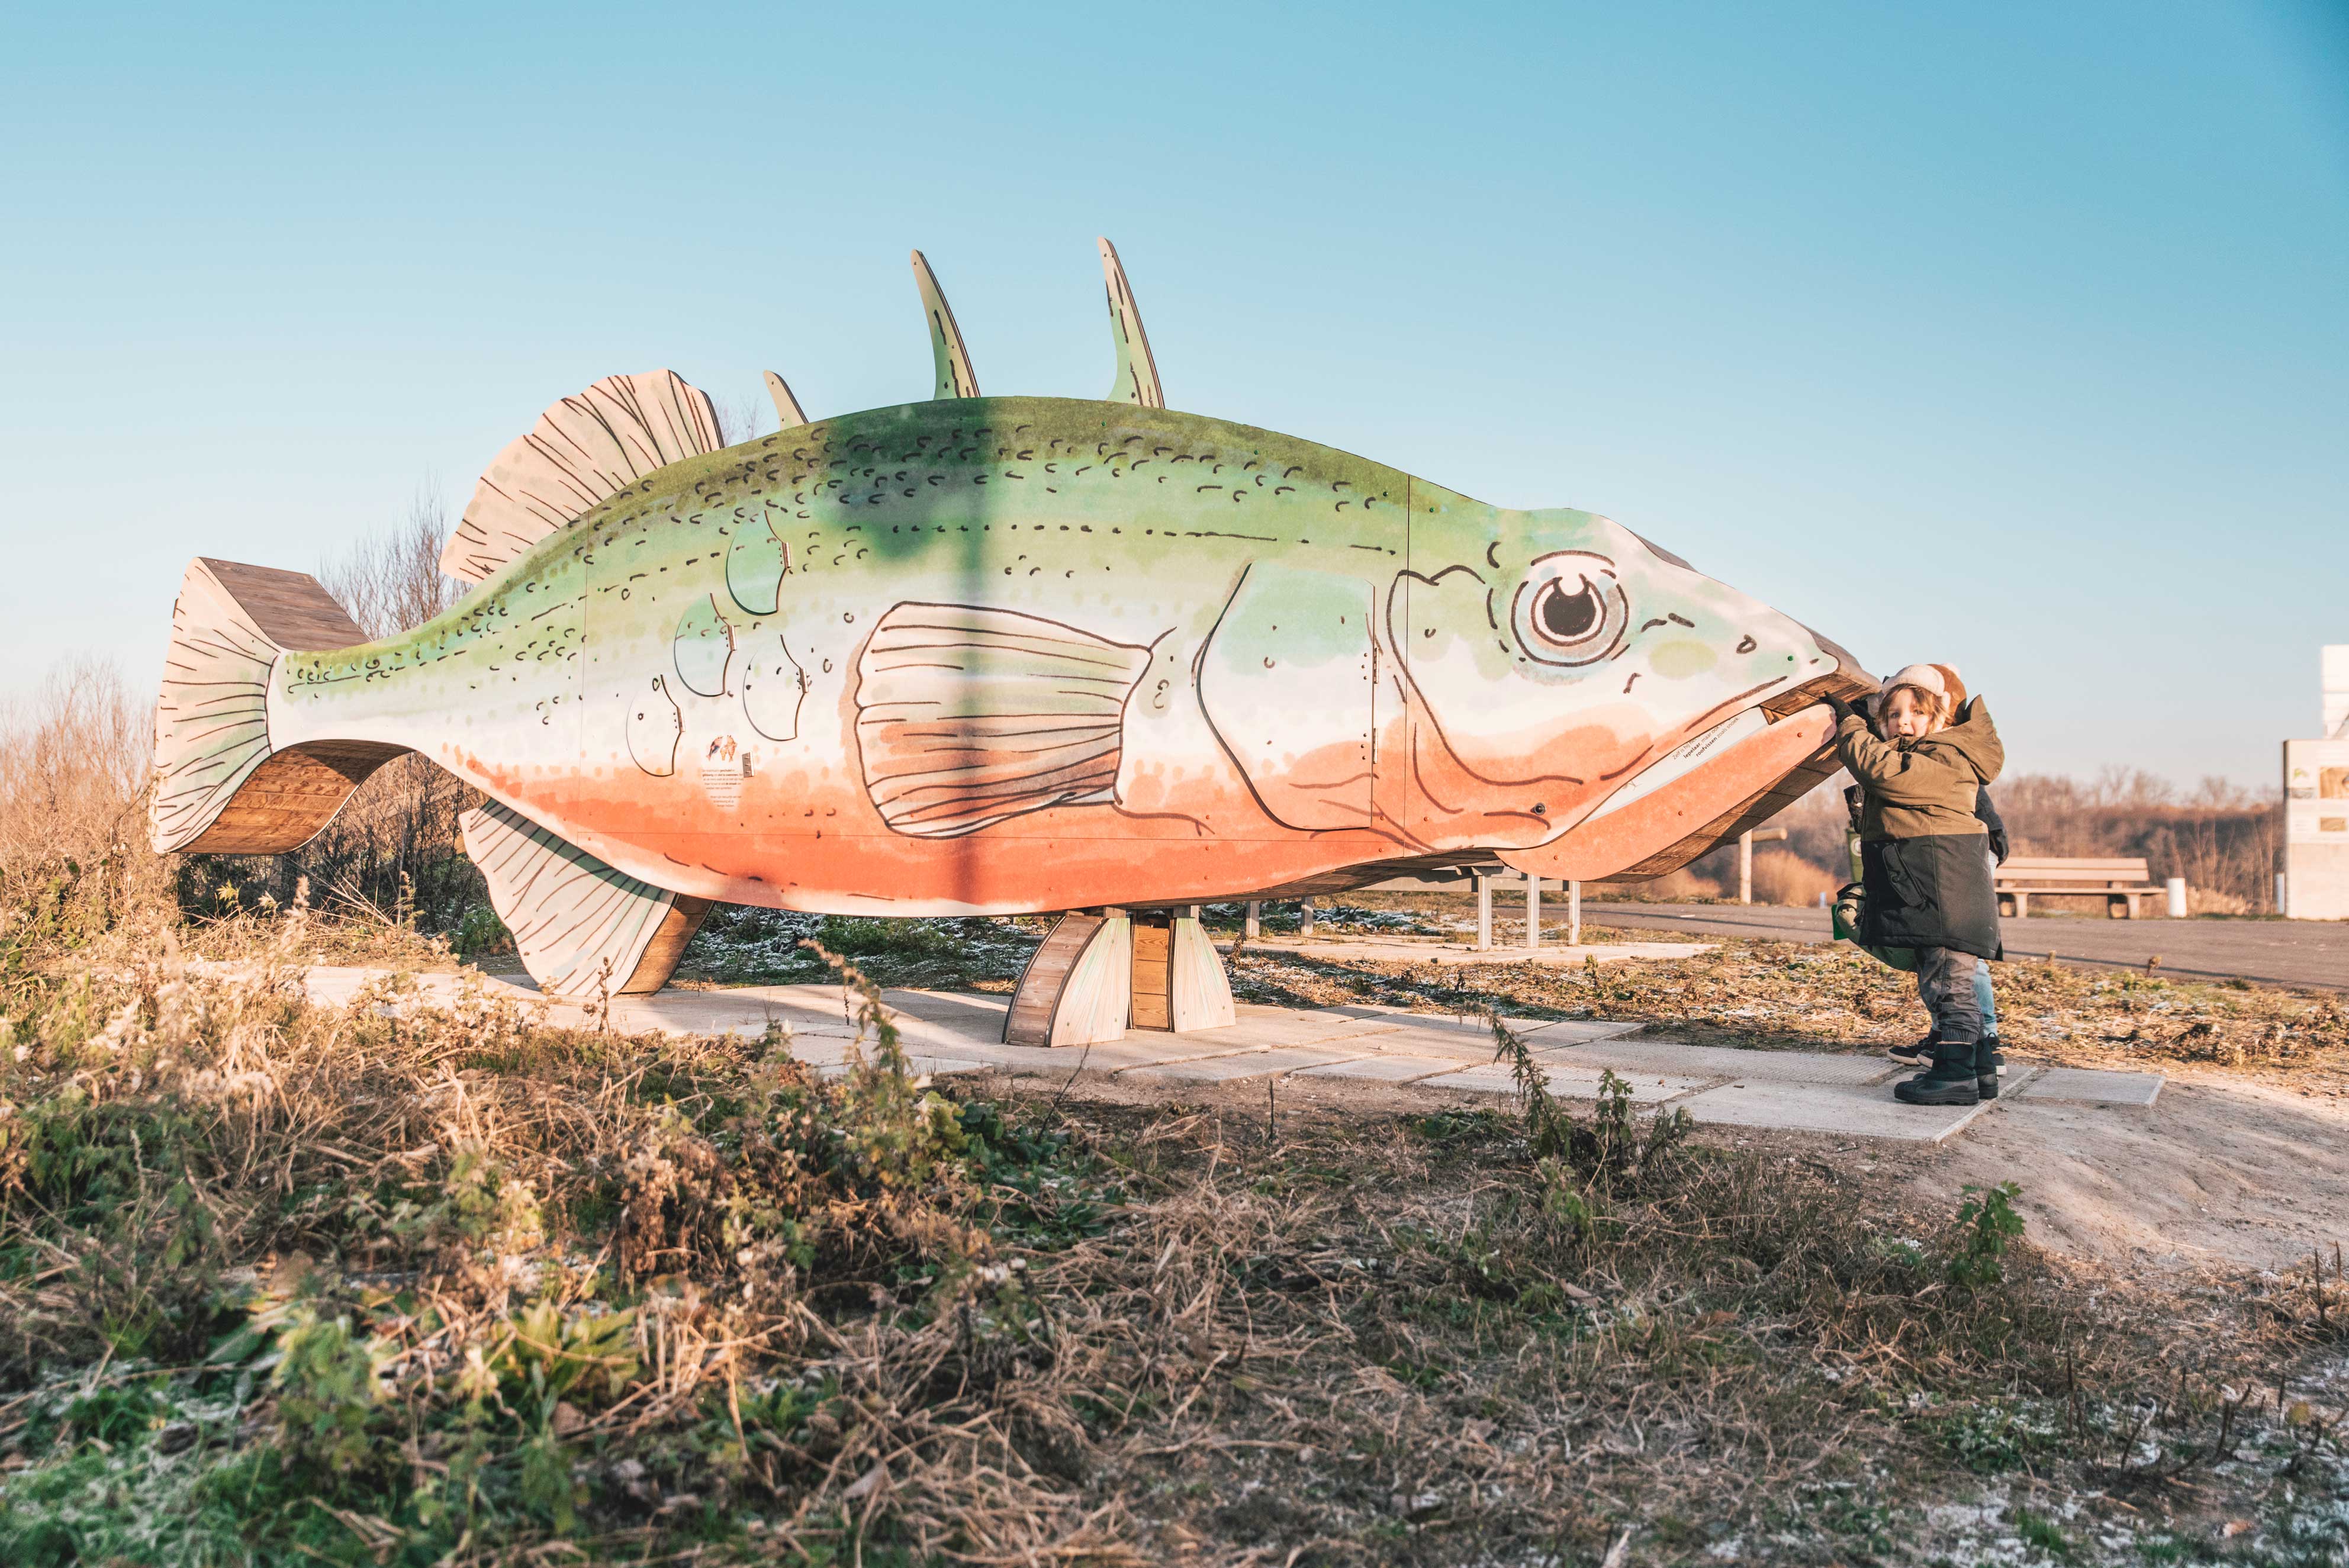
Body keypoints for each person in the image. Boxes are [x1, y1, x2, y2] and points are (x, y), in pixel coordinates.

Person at [1824, 664, 2005, 1106]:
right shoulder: (1932, 752)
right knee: (1946, 981)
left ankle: (1953, 1074)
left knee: (1948, 986)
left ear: (1940, 719)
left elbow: (1885, 771)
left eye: (1915, 712)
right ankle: (1979, 1069)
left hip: (1941, 886)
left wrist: (1848, 724)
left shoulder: (1947, 756)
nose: (1902, 721)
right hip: (1935, 885)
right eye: (1892, 714)